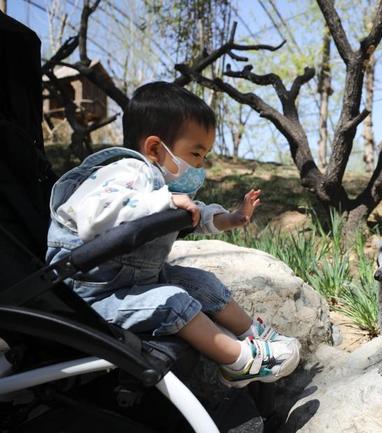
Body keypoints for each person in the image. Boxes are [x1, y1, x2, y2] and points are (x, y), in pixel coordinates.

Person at [46, 81, 300, 388]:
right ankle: (239, 361)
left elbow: (194, 213)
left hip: (131, 280)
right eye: (195, 153)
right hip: (90, 292)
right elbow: (92, 217)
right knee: (173, 300)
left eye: (204, 156)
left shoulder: (161, 183)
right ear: (154, 148)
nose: (200, 165)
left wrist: (231, 218)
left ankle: (254, 334)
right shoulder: (125, 171)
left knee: (201, 283)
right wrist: (162, 202)